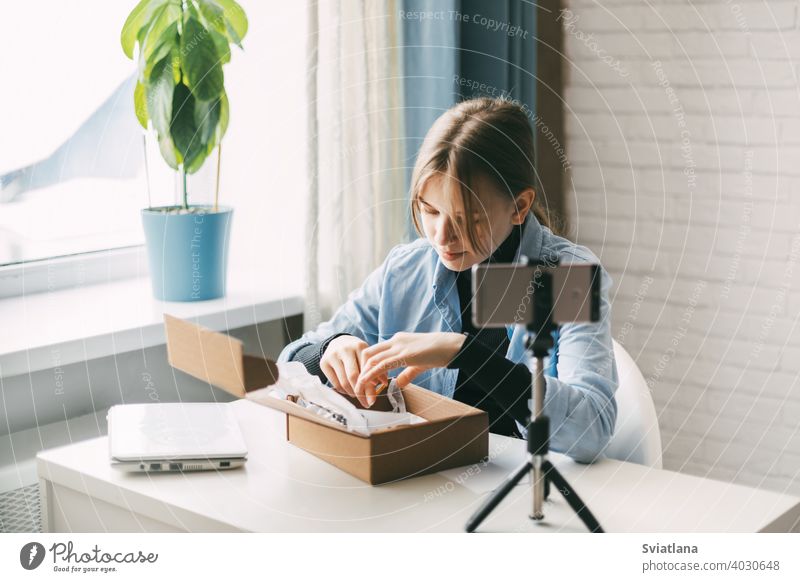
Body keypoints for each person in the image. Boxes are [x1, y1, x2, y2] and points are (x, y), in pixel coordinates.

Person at [278, 97, 618, 463]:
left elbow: (591, 429)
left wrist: (466, 354)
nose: (442, 236)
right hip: (419, 483)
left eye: (467, 217)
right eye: (430, 211)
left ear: (519, 206)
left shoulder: (565, 277)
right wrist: (332, 345)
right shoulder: (405, 269)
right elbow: (290, 362)